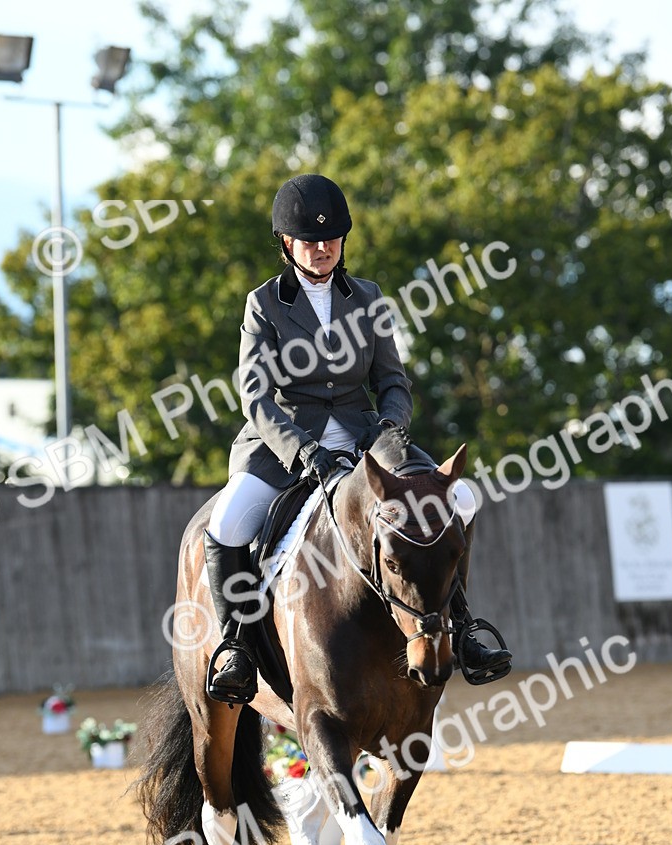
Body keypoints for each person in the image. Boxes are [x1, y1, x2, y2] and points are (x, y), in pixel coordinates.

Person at [203, 173, 511, 704]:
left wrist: (391, 428)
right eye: (309, 240)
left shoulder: (368, 298)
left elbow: (392, 380)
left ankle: (460, 624)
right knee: (228, 521)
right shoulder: (264, 305)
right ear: (286, 244)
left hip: (368, 433)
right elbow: (255, 396)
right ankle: (235, 647)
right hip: (285, 436)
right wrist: (303, 450)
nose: (322, 248)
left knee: (462, 497)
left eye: (331, 238)